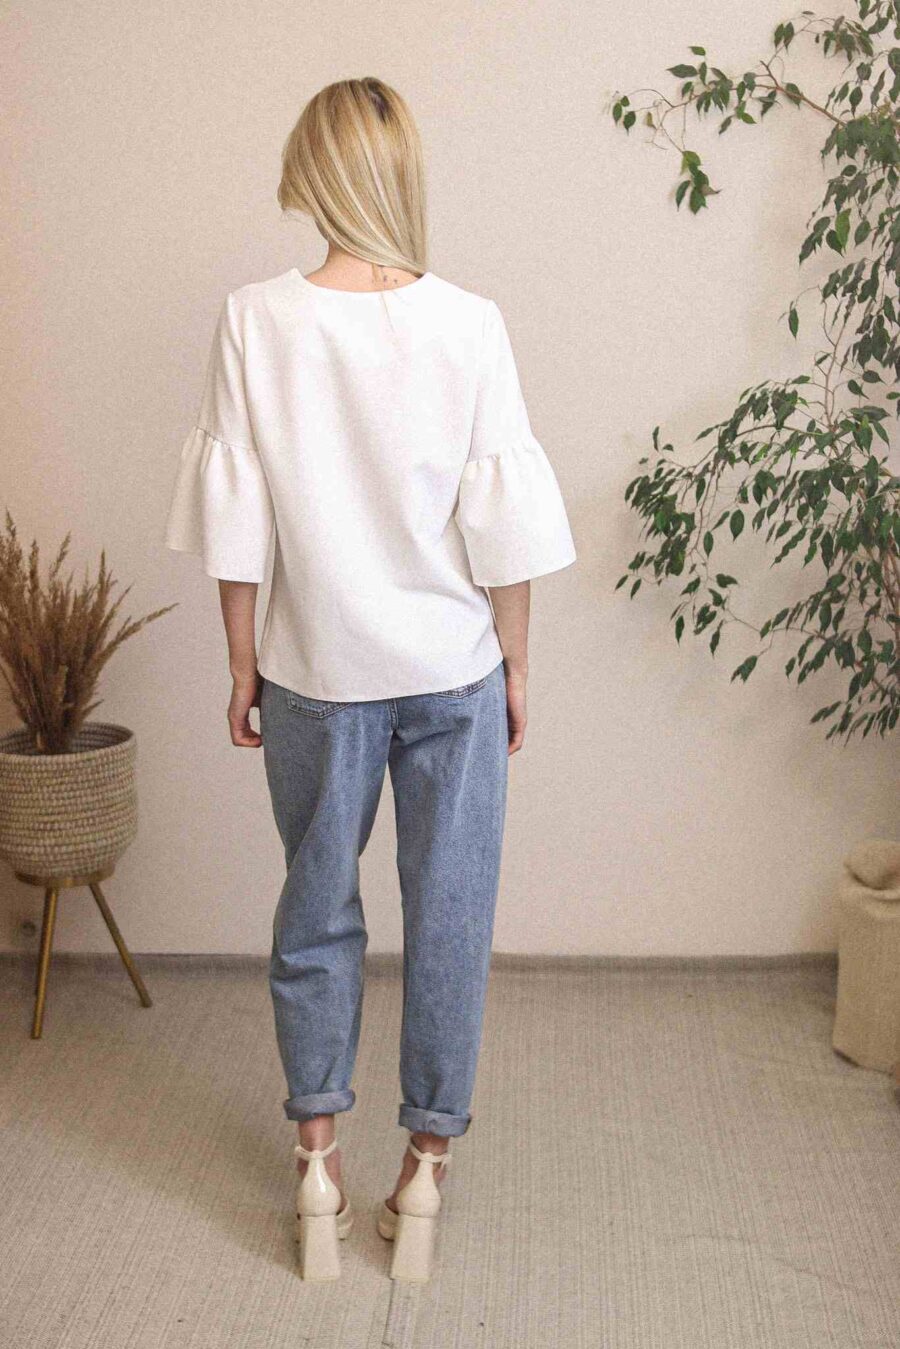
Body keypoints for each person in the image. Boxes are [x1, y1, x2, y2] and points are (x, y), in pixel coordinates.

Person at [163, 75, 576, 1283]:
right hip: (453, 672)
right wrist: (516, 662)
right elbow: (500, 524)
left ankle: (315, 1166)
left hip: (314, 672)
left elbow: (238, 519)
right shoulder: (471, 323)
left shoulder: (255, 319)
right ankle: (426, 1173)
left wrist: (240, 662)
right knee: (450, 915)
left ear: (314, 170)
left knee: (316, 909)